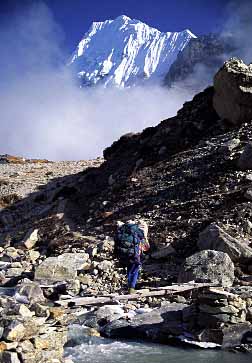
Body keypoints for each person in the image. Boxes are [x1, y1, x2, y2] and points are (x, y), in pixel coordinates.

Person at [114, 219, 150, 294]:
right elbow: (143, 240)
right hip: (134, 254)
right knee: (134, 269)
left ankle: (129, 286)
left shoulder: (122, 229)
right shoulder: (136, 229)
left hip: (123, 254)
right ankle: (131, 288)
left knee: (129, 269)